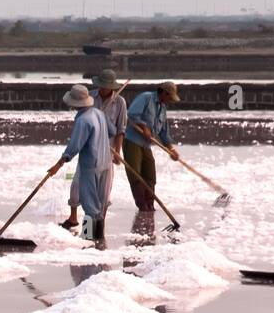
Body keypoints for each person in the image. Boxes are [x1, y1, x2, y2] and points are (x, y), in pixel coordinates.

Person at [62, 69, 128, 230]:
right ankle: (85, 227)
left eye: (107, 87)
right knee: (79, 187)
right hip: (90, 154)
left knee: (101, 194)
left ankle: (95, 230)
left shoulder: (119, 102)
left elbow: (120, 130)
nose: (104, 89)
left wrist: (117, 151)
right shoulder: (89, 99)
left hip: (105, 153)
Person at [48, 84, 112, 240]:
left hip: (91, 166)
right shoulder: (98, 113)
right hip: (106, 163)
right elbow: (111, 132)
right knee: (99, 205)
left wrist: (59, 164)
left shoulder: (83, 120)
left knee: (90, 205)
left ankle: (89, 237)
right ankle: (99, 237)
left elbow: (74, 145)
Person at [122, 81, 180, 211]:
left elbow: (164, 131)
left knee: (150, 176)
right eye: (169, 97)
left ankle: (150, 206)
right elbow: (131, 114)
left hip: (146, 145)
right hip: (132, 142)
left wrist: (171, 149)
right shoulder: (146, 97)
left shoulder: (162, 108)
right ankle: (143, 208)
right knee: (136, 176)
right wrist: (144, 127)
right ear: (164, 93)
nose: (170, 101)